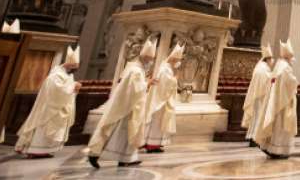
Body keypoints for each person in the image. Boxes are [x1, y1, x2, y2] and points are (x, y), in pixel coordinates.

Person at [87, 38, 156, 168]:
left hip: (131, 107)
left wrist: (146, 83)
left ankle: (127, 158)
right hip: (126, 108)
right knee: (115, 131)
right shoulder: (135, 71)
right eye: (149, 59)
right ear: (144, 57)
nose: (150, 62)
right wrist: (148, 83)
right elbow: (134, 89)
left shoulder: (136, 69)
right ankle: (94, 154)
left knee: (128, 133)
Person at [15, 46, 82, 158]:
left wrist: (73, 87)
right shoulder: (55, 75)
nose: (75, 70)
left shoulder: (67, 75)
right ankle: (34, 150)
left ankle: (44, 151)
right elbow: (56, 91)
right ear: (69, 65)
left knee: (52, 131)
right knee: (43, 129)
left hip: (59, 108)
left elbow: (66, 89)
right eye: (75, 67)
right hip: (49, 109)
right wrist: (73, 86)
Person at [257, 39, 298, 159]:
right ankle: (278, 149)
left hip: (276, 100)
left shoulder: (279, 65)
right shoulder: (285, 67)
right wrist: (296, 82)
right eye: (291, 58)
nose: (292, 60)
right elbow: (291, 82)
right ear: (288, 56)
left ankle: (270, 147)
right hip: (283, 102)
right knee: (281, 126)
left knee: (276, 125)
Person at [143, 43, 183, 153]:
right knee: (156, 122)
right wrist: (174, 80)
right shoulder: (165, 68)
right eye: (177, 59)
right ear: (173, 58)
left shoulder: (167, 67)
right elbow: (164, 82)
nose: (178, 62)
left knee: (160, 122)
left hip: (163, 100)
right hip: (160, 100)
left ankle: (155, 143)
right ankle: (151, 144)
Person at [242, 45, 274, 146]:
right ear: (267, 59)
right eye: (271, 59)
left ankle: (252, 137)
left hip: (257, 97)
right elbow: (267, 81)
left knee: (256, 118)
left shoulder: (260, 67)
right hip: (260, 97)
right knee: (258, 118)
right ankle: (254, 139)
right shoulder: (264, 69)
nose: (272, 61)